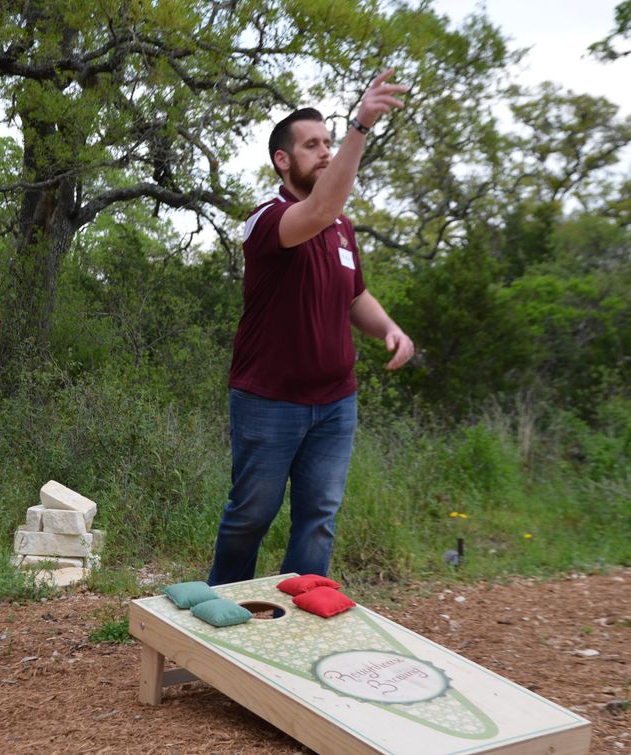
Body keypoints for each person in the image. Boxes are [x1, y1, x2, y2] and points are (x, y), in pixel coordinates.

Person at [207, 70, 415, 586]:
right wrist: (360, 127)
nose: (325, 152)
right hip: (269, 400)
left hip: (335, 402)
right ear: (283, 160)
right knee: (251, 514)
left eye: (329, 142)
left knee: (317, 522)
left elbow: (355, 295)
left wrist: (389, 328)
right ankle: (220, 616)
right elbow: (321, 207)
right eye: (312, 145)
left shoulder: (343, 229)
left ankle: (297, 621)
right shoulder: (268, 219)